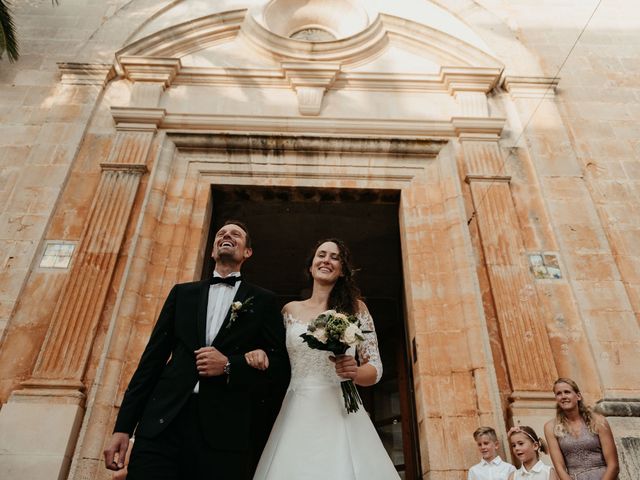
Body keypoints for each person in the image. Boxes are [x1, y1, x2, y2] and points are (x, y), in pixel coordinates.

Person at [103, 220, 290, 480]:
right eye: (221, 233)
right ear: (212, 251)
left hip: (223, 433)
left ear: (247, 252)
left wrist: (229, 365)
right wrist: (123, 428)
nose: (227, 235)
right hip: (162, 424)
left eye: (236, 234)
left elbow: (281, 366)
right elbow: (151, 363)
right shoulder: (182, 294)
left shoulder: (264, 301)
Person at [250, 238, 400, 479]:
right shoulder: (290, 311)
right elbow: (275, 358)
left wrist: (355, 372)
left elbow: (375, 368)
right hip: (297, 406)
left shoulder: (356, 309)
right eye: (321, 255)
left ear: (342, 270)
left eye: (334, 257)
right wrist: (257, 352)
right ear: (311, 266)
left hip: (341, 407)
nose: (326, 260)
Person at [544, 378, 620, 480]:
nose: (563, 396)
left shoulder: (599, 421)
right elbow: (560, 468)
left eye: (567, 392)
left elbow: (613, 465)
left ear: (578, 396)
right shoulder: (550, 427)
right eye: (558, 394)